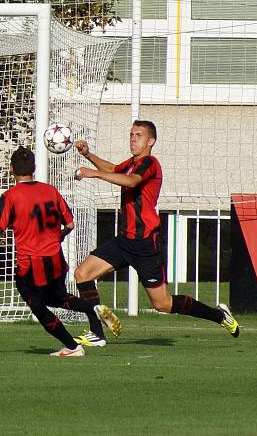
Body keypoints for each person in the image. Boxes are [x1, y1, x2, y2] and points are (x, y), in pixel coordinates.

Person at [73, 120, 240, 340]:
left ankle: (219, 316)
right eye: (131, 134)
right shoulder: (132, 163)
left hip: (145, 244)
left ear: (151, 141)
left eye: (139, 135)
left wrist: (93, 174)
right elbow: (114, 170)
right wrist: (89, 155)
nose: (133, 138)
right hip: (124, 241)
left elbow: (131, 182)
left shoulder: (150, 163)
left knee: (163, 304)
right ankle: (97, 332)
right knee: (82, 274)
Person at [0, 147, 121, 357]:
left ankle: (72, 346)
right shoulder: (50, 191)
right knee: (57, 298)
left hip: (31, 264)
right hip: (56, 260)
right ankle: (93, 308)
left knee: (39, 307)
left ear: (11, 169)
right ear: (35, 168)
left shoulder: (11, 196)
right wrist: (58, 238)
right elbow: (69, 224)